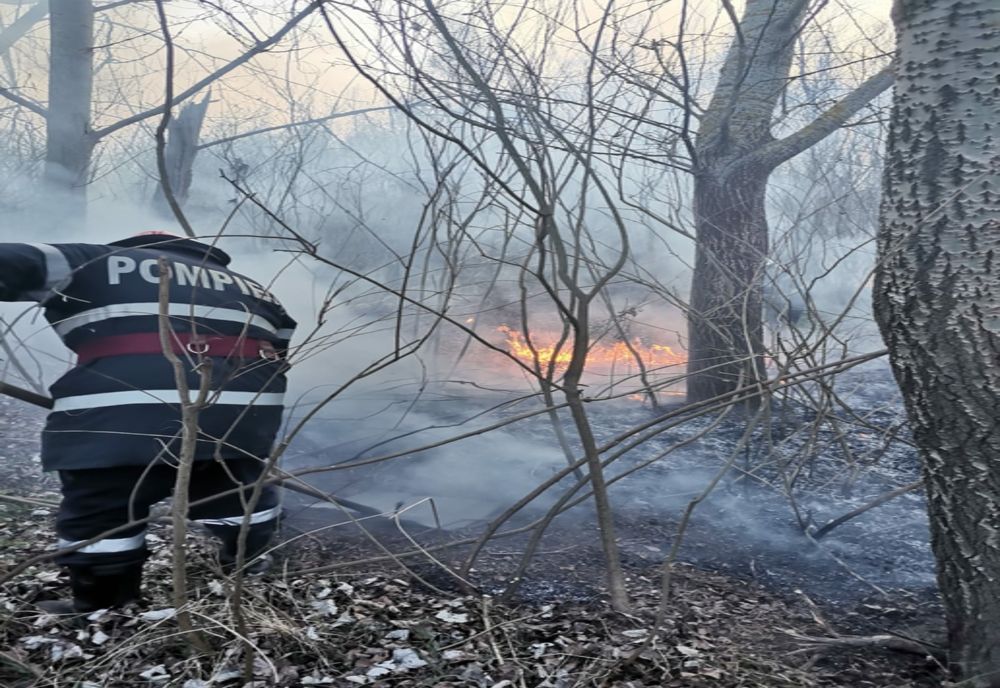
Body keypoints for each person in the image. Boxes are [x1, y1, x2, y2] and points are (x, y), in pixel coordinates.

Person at [0, 232, 296, 614]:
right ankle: (250, 567)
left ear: (133, 246)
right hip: (242, 417)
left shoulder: (95, 259)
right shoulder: (258, 290)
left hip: (121, 419)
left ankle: (104, 608)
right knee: (239, 492)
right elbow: (278, 355)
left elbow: (12, 261)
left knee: (105, 507)